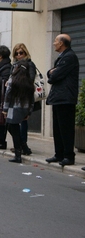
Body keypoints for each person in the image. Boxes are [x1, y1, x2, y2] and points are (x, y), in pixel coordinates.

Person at [45, 34, 79, 166]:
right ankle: (59, 154)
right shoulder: (62, 57)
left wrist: (53, 73)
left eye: (55, 41)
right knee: (58, 129)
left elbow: (55, 76)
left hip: (66, 98)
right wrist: (51, 73)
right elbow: (50, 74)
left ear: (61, 44)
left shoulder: (69, 57)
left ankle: (69, 156)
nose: (54, 43)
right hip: (59, 97)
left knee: (66, 129)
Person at [3, 61, 34, 163]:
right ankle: (25, 148)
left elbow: (8, 96)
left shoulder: (13, 80)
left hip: (13, 108)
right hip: (24, 108)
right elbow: (32, 99)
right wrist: (29, 112)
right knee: (11, 127)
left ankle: (18, 154)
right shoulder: (29, 81)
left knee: (13, 129)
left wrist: (5, 109)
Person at [10, 43, 37, 154]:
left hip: (24, 96)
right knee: (12, 123)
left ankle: (23, 145)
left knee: (23, 121)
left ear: (25, 52)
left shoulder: (30, 64)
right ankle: (20, 144)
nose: (19, 55)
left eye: (21, 52)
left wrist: (19, 82)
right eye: (16, 53)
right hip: (14, 96)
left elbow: (30, 79)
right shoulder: (14, 65)